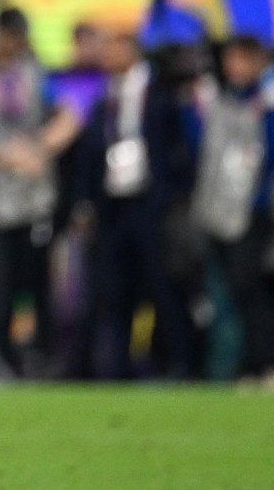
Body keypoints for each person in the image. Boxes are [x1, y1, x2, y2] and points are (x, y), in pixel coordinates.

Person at [0, 8, 79, 374]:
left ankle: (44, 360)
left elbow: (70, 117)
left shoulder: (34, 76)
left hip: (35, 200)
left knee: (38, 282)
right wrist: (7, 156)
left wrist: (39, 149)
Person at [70, 30, 196, 380]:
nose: (107, 55)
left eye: (114, 47)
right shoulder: (103, 99)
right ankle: (118, 367)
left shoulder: (160, 96)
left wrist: (170, 195)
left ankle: (180, 363)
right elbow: (90, 155)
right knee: (114, 290)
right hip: (113, 206)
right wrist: (84, 200)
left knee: (162, 287)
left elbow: (180, 150)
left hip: (149, 206)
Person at [188, 35, 274, 383]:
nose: (233, 66)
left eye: (241, 59)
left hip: (253, 211)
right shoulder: (218, 102)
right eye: (230, 58)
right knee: (231, 296)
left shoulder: (271, 105)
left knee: (250, 290)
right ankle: (249, 365)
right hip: (217, 211)